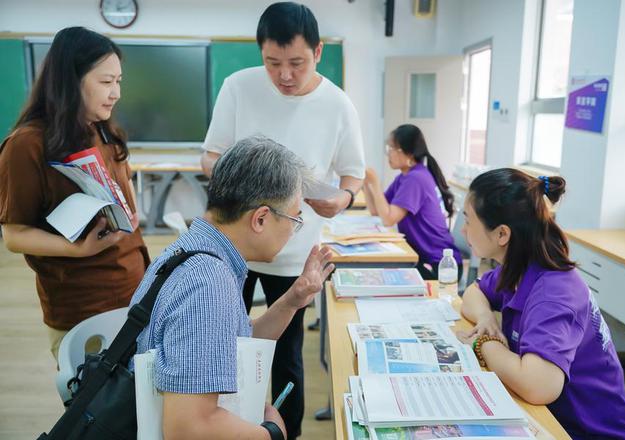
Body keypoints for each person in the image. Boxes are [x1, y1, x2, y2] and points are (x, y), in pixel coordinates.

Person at [199, 3, 365, 435]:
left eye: (296, 63)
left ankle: (284, 432)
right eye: (272, 63)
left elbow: (354, 173)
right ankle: (228, 426)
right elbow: (210, 156)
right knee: (223, 345)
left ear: (318, 52)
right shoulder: (238, 87)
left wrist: (343, 198)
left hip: (292, 253)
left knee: (285, 355)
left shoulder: (337, 105)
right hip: (232, 248)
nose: (284, 75)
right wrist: (249, 184)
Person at [131, 136, 334, 439]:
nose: (294, 230)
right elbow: (189, 428)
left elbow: (233, 342)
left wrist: (293, 299)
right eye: (295, 218)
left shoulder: (196, 248)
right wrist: (272, 433)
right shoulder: (208, 284)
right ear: (261, 218)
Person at [0, 27, 149, 360]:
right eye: (106, 82)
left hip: (133, 294)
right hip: (82, 306)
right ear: (71, 81)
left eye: (119, 81)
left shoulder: (101, 128)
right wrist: (78, 250)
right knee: (96, 409)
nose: (116, 93)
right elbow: (14, 234)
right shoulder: (27, 145)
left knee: (136, 406)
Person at [457, 168, 625, 439]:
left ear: (502, 235)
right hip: (550, 419)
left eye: (468, 220)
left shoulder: (555, 290)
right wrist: (486, 318)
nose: (463, 229)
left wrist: (483, 343)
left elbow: (538, 386)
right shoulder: (518, 267)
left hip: (586, 432)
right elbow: (473, 292)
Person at [362, 124, 462, 281]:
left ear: (408, 153)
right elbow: (376, 211)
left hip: (440, 265)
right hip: (424, 256)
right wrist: (365, 183)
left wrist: (375, 183)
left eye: (392, 149)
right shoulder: (405, 177)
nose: (388, 154)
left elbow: (388, 219)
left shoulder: (416, 179)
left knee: (383, 276)